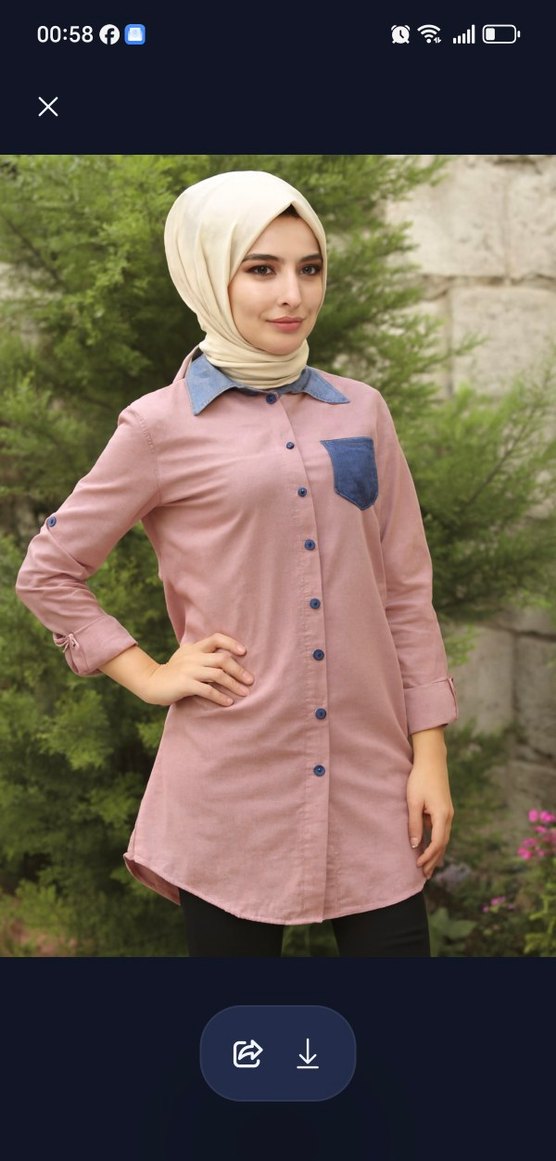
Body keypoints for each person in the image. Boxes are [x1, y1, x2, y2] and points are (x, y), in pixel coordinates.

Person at [15, 168, 458, 958]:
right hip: (232, 785)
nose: (293, 294)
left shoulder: (361, 411)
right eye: (261, 269)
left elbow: (403, 592)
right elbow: (49, 570)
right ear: (208, 275)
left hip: (373, 776)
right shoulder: (158, 427)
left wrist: (430, 755)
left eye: (309, 268)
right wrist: (148, 674)